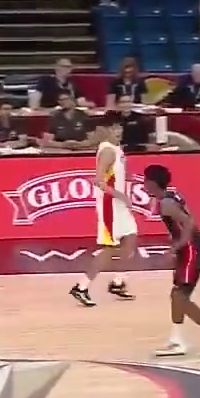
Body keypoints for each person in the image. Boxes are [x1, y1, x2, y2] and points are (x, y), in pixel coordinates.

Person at [142, 164, 200, 359]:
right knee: (177, 296)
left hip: (190, 250)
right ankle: (177, 340)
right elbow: (188, 217)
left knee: (180, 297)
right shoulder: (171, 195)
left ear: (153, 183)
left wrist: (176, 247)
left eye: (146, 180)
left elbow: (189, 222)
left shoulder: (166, 204)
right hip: (188, 249)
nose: (144, 184)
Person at [69, 117, 137, 307]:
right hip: (110, 206)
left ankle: (118, 283)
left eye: (120, 127)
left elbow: (117, 174)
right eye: (114, 128)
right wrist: (121, 195)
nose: (119, 131)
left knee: (130, 240)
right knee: (109, 249)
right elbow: (98, 180)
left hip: (118, 205)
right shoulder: (107, 150)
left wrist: (127, 178)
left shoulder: (117, 148)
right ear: (106, 130)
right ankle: (81, 287)